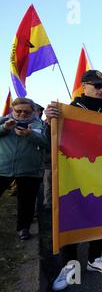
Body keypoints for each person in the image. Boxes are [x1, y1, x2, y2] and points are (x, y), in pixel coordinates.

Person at [45, 70, 102, 292]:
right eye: (96, 85)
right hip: (74, 176)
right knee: (71, 218)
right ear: (83, 86)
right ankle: (69, 266)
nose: (100, 90)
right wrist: (50, 122)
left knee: (99, 218)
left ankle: (95, 259)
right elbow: (51, 143)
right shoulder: (67, 111)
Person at [0, 98, 49, 241]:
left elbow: (47, 143)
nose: (22, 114)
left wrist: (30, 135)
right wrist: (4, 128)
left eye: (26, 112)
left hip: (29, 170)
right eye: (18, 111)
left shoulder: (40, 125)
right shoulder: (3, 121)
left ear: (33, 111)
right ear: (12, 110)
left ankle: (23, 228)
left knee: (26, 202)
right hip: (3, 168)